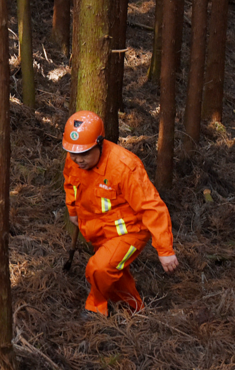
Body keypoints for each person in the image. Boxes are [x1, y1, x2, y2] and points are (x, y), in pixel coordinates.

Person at [61, 110, 179, 317]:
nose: (78, 160)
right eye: (73, 154)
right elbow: (70, 182)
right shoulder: (74, 157)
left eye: (85, 154)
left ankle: (95, 308)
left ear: (99, 143)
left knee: (98, 269)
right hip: (100, 231)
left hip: (130, 232)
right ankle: (135, 311)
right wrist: (72, 209)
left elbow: (152, 206)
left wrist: (165, 250)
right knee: (115, 272)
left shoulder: (124, 167)